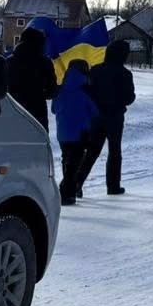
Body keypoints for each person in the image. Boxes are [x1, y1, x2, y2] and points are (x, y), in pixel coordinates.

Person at [87, 42, 137, 196]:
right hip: (115, 116)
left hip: (96, 115)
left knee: (91, 151)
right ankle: (113, 186)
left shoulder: (95, 70)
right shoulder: (125, 74)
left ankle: (76, 184)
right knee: (114, 151)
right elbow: (129, 98)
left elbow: (89, 92)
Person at [54, 63, 99, 206]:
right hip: (80, 133)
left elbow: (54, 109)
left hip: (62, 132)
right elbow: (95, 112)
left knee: (66, 159)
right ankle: (66, 193)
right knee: (74, 164)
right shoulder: (84, 93)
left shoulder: (60, 91)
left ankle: (69, 191)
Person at [7, 25, 55, 131]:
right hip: (37, 116)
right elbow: (51, 91)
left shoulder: (9, 62)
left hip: (13, 112)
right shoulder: (45, 63)